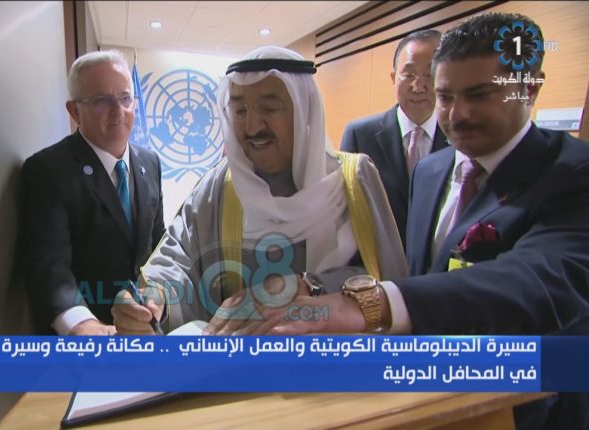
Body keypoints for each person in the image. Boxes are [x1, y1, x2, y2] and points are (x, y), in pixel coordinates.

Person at [203, 13, 589, 430]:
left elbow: (535, 280)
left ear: (529, 88)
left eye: (479, 95)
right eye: (445, 96)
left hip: (531, 407)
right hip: (425, 399)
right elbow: (411, 273)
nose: (457, 114)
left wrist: (366, 305)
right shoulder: (431, 171)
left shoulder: (573, 173)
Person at [111, 46, 408, 335]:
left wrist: (309, 285)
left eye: (269, 107)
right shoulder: (220, 184)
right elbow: (178, 260)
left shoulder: (353, 179)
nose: (252, 126)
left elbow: (389, 285)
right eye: (240, 110)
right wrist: (156, 299)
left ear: (304, 110)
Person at [20, 50, 165, 335]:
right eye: (102, 100)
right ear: (74, 111)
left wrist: (159, 293)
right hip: (89, 338)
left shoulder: (150, 162)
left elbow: (158, 242)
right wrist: (80, 323)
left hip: (145, 329)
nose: (118, 111)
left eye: (125, 98)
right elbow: (50, 264)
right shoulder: (48, 170)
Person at [341, 29, 448, 247]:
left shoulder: (459, 138)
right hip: (375, 260)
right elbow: (344, 210)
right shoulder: (359, 134)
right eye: (409, 75)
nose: (418, 87)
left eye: (430, 74)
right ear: (393, 78)